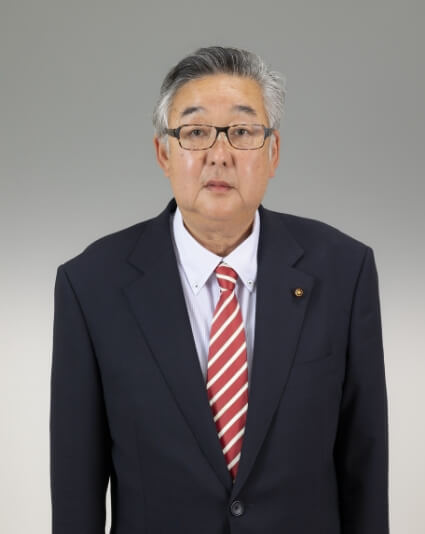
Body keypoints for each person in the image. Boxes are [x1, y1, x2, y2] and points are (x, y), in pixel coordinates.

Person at [50, 46, 389, 534]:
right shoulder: (91, 285)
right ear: (164, 153)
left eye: (243, 132)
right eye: (195, 132)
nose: (219, 154)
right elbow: (75, 487)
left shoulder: (344, 270)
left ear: (273, 153)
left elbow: (365, 464)